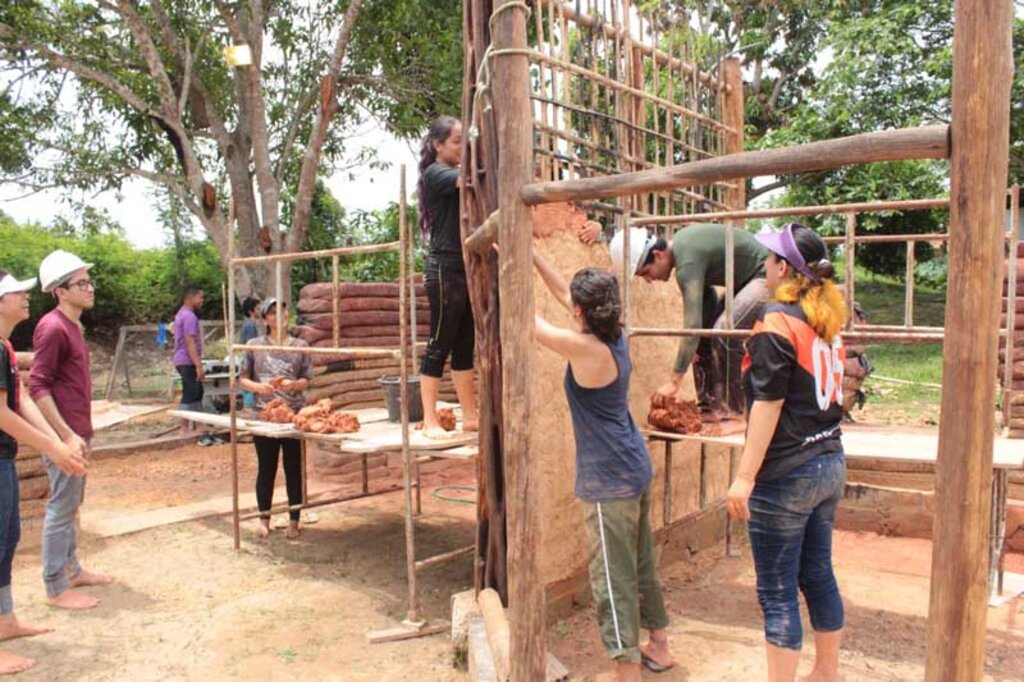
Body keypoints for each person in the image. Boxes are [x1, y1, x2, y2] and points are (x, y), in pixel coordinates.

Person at [532, 248, 675, 681]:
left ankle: (626, 672)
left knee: (611, 581)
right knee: (641, 561)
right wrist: (534, 254)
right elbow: (565, 294)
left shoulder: (585, 347)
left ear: (582, 312)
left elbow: (527, 322)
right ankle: (661, 646)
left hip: (609, 481)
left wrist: (506, 271)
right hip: (634, 466)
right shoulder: (616, 334)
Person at [725, 223, 847, 682]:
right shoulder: (826, 324)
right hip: (829, 461)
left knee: (777, 591)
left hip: (787, 473)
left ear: (785, 269)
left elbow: (768, 403)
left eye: (771, 259)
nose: (765, 265)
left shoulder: (776, 320)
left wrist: (744, 476)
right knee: (817, 573)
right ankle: (827, 672)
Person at [0, 269, 87, 675]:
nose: (23, 297)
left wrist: (59, 438)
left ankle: (6, 621)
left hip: (7, 457)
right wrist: (55, 442)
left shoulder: (4, 347)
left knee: (8, 540)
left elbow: (19, 399)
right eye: (15, 292)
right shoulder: (45, 331)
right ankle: (52, 586)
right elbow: (9, 407)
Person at [611, 223, 769, 417]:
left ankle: (733, 413)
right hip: (744, 282)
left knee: (725, 333)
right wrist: (695, 346)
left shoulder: (686, 262)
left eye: (646, 272)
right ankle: (709, 406)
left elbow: (692, 326)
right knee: (707, 334)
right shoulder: (683, 252)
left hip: (766, 275)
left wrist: (674, 381)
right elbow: (706, 302)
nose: (649, 280)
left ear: (658, 254)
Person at [30, 250, 113, 610]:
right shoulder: (51, 327)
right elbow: (38, 386)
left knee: (72, 504)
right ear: (59, 291)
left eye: (89, 281)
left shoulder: (73, 326)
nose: (90, 288)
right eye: (81, 283)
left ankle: (72, 568)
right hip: (67, 435)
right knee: (61, 507)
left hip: (79, 431)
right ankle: (55, 585)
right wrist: (63, 434)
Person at [416, 115, 479, 438]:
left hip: (465, 269)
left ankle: (470, 415)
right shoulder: (436, 173)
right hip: (444, 269)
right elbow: (470, 179)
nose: (462, 147)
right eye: (457, 142)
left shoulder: (454, 171)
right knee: (439, 343)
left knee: (465, 345)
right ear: (437, 145)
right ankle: (429, 419)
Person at [238, 299, 312, 539]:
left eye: (281, 311)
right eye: (271, 313)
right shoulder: (255, 345)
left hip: (294, 417)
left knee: (294, 468)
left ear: (287, 315)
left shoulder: (301, 345)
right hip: (265, 416)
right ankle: (264, 520)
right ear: (264, 319)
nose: (277, 316)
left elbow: (307, 380)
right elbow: (242, 378)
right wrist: (259, 387)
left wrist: (294, 385)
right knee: (266, 468)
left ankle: (293, 521)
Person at [173, 284, 219, 445]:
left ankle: (199, 424)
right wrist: (198, 365)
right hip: (186, 359)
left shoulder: (183, 314)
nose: (202, 300)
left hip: (186, 359)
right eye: (200, 297)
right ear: (191, 298)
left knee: (198, 391)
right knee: (190, 392)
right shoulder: (188, 316)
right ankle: (184, 428)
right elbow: (189, 341)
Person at [240, 297, 262, 409]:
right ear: (251, 311)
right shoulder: (251, 325)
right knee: (251, 386)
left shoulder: (248, 324)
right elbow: (251, 345)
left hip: (247, 358)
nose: (260, 310)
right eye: (257, 308)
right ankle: (248, 407)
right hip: (250, 359)